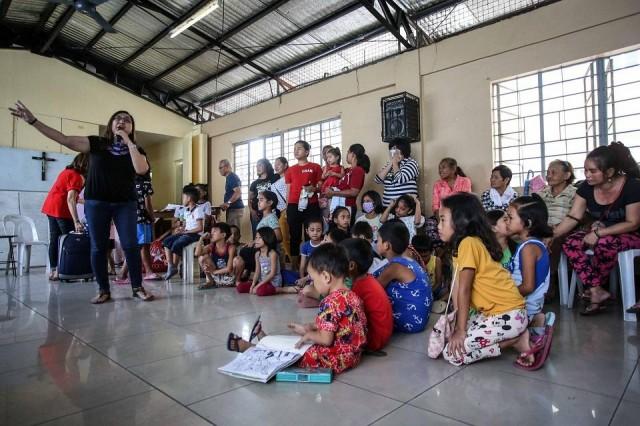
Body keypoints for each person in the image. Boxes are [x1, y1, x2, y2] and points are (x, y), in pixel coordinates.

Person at [10, 102, 153, 303]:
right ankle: (104, 289)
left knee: (130, 245)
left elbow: (140, 170)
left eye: (127, 120)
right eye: (118, 118)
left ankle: (137, 287)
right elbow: (64, 139)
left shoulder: (137, 149)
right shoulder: (97, 143)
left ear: (132, 127)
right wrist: (33, 121)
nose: (122, 121)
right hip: (96, 203)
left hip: (125, 204)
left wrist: (128, 141)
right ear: (110, 124)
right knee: (98, 246)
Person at [437, 192, 532, 367]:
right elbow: (458, 288)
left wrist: (460, 330)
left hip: (509, 315)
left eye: (443, 220)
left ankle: (517, 341)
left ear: (460, 221)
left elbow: (465, 290)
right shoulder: (465, 244)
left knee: (453, 355)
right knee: (448, 341)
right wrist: (458, 325)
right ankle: (515, 337)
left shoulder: (468, 244)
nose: (438, 226)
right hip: (497, 313)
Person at [554, 142, 640, 315]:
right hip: (600, 232)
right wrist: (552, 235)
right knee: (571, 242)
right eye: (585, 170)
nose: (587, 175)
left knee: (604, 242)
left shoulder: (632, 186)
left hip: (631, 234)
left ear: (609, 172)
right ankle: (596, 289)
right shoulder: (586, 187)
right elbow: (573, 217)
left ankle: (596, 289)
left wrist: (599, 232)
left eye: (593, 171)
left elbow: (633, 223)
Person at [373, 220, 432, 333]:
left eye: (378, 240)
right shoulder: (408, 258)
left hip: (411, 322)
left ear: (386, 245)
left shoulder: (395, 267)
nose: (376, 243)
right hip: (422, 320)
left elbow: (374, 288)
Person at [506, 195, 552, 331]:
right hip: (520, 304)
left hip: (523, 308)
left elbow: (528, 287)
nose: (506, 221)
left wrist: (502, 296)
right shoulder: (528, 245)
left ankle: (532, 323)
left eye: (510, 217)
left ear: (528, 223)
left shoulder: (529, 248)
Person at [41, 153, 88, 281]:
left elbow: (71, 196)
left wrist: (88, 202)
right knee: (69, 240)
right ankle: (67, 270)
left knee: (55, 240)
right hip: (61, 210)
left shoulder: (67, 171)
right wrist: (76, 221)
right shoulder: (76, 176)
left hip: (51, 207)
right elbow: (70, 199)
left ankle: (54, 271)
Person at [340, 238, 393, 352]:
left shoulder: (359, 287)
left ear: (351, 266)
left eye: (339, 260)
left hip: (373, 340)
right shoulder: (367, 280)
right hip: (383, 334)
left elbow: (347, 317)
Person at [536, 160, 576, 300]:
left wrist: (557, 228)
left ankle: (550, 284)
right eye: (548, 172)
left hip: (565, 229)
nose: (549, 176)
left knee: (555, 239)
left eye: (554, 172)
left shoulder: (574, 193)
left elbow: (578, 216)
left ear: (566, 175)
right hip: (544, 228)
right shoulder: (542, 193)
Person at [113, 171, 161, 283]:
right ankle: (123, 274)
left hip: (129, 218)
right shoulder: (145, 183)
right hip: (142, 218)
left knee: (142, 245)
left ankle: (148, 271)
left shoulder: (127, 183)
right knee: (140, 246)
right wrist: (152, 218)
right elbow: (147, 203)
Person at [286, 140, 323, 269]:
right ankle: (295, 267)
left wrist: (314, 188)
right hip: (293, 205)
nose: (296, 151)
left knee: (312, 235)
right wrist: (287, 206)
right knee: (294, 236)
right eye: (294, 148)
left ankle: (312, 267)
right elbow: (288, 189)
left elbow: (320, 186)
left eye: (299, 148)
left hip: (311, 204)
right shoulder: (290, 170)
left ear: (307, 152)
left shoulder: (316, 167)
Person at [234, 191, 282, 281]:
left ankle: (246, 275)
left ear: (270, 202)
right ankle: (247, 274)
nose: (258, 202)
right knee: (243, 251)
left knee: (244, 252)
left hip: (268, 251)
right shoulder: (264, 218)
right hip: (262, 249)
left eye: (261, 200)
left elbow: (279, 237)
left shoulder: (271, 218)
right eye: (258, 200)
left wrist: (256, 242)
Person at [236, 227, 297, 296]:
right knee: (240, 288)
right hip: (262, 281)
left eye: (259, 238)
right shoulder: (257, 254)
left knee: (260, 291)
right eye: (256, 237)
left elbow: (272, 274)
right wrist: (253, 285)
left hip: (273, 282)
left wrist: (258, 286)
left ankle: (283, 289)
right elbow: (257, 271)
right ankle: (260, 286)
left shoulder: (272, 254)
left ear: (267, 238)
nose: (256, 240)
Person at [163, 185, 204, 280]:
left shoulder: (198, 210)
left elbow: (200, 228)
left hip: (195, 235)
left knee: (177, 243)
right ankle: (171, 266)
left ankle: (174, 267)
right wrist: (181, 229)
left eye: (184, 197)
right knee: (166, 241)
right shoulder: (186, 211)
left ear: (189, 198)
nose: (183, 200)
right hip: (187, 233)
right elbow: (186, 225)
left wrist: (186, 232)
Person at [325, 144, 369, 224]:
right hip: (339, 206)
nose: (346, 155)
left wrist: (334, 193)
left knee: (344, 232)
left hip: (347, 207)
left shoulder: (358, 170)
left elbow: (354, 192)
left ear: (353, 154)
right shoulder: (348, 170)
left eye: (348, 152)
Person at [374, 139, 419, 206]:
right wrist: (391, 163)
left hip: (405, 209)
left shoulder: (411, 163)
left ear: (404, 151)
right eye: (392, 150)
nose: (393, 153)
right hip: (387, 208)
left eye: (396, 150)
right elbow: (377, 180)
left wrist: (394, 162)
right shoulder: (389, 165)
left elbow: (400, 179)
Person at [196, 222, 236, 289]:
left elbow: (229, 269)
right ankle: (211, 281)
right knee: (202, 258)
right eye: (211, 231)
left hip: (228, 277)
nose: (211, 234)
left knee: (238, 260)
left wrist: (214, 272)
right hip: (216, 276)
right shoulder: (211, 246)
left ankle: (236, 282)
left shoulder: (231, 247)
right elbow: (197, 253)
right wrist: (201, 238)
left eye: (215, 231)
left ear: (223, 235)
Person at [249, 159, 278, 237]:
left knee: (272, 235)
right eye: (256, 166)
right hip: (257, 213)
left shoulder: (274, 178)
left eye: (260, 165)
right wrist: (252, 211)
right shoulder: (254, 183)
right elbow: (250, 199)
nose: (258, 167)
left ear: (266, 166)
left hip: (272, 212)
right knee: (257, 235)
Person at [272, 157, 290, 260]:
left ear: (285, 165)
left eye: (278, 164)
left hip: (287, 211)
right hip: (278, 213)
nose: (276, 166)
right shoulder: (276, 182)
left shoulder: (288, 179)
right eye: (275, 164)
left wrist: (287, 209)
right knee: (282, 238)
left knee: (287, 238)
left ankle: (292, 261)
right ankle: (286, 258)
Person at [319, 147, 344, 217]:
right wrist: (326, 174)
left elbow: (343, 176)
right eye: (327, 158)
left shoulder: (341, 167)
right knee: (325, 208)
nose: (328, 159)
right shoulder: (326, 167)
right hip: (326, 187)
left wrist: (335, 174)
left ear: (337, 157)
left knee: (334, 208)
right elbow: (322, 177)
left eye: (330, 157)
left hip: (335, 189)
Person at [218, 159, 244, 229]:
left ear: (227, 167)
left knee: (233, 233)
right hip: (232, 209)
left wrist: (228, 203)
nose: (219, 170)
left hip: (235, 209)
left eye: (220, 167)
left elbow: (238, 193)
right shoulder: (229, 177)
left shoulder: (231, 177)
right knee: (230, 232)